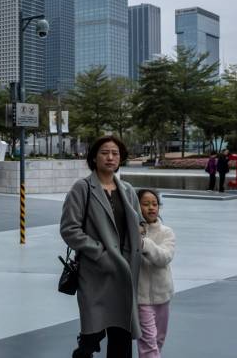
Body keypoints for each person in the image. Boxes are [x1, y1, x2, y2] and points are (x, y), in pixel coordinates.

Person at [60, 135, 143, 358]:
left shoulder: (127, 190)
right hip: (96, 273)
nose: (110, 157)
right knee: (91, 335)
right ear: (94, 158)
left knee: (122, 336)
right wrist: (100, 253)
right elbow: (69, 229)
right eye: (104, 152)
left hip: (124, 272)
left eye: (115, 154)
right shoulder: (82, 188)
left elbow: (137, 224)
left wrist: (140, 236)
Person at [136, 188, 176, 358]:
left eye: (154, 204)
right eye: (145, 204)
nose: (151, 208)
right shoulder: (131, 233)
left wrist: (144, 243)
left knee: (158, 340)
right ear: (136, 207)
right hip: (141, 299)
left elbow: (164, 258)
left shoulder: (167, 232)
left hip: (163, 296)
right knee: (148, 342)